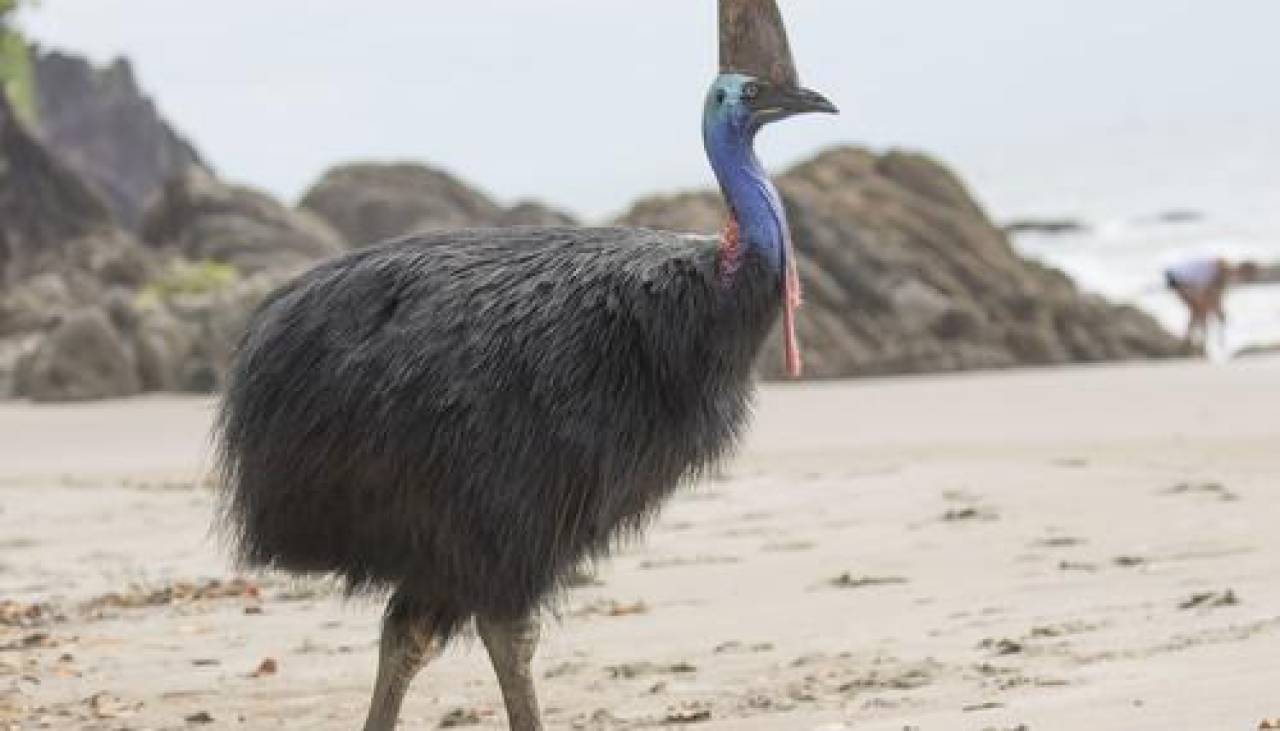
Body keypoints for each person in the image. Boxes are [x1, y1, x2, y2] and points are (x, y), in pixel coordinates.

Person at [1163, 257, 1259, 352]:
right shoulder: (1224, 270)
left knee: (1198, 310)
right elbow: (1212, 295)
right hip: (1178, 277)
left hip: (1179, 277)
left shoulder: (1224, 270)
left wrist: (1218, 310)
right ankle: (1196, 344)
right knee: (1199, 310)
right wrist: (1219, 312)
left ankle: (1193, 343)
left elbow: (1212, 296)